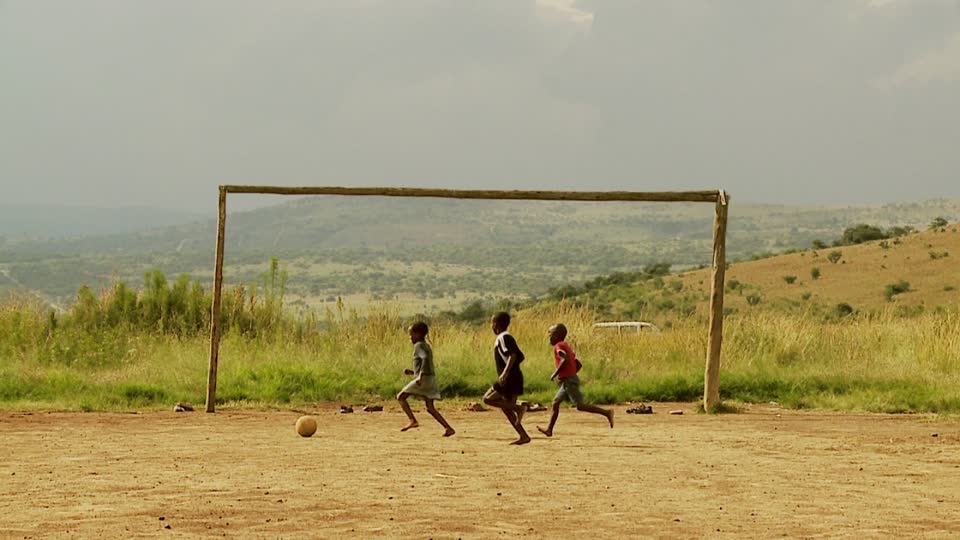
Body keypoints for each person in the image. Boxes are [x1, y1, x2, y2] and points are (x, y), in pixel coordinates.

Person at [537, 323, 614, 437]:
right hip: (568, 380)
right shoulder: (566, 345)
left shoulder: (559, 346)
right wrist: (568, 374)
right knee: (555, 403)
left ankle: (607, 412)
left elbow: (564, 359)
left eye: (550, 335)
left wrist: (555, 374)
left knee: (580, 406)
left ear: (557, 336)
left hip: (569, 381)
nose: (549, 338)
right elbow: (577, 363)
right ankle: (549, 430)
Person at [397, 321, 455, 437]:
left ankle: (412, 420)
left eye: (411, 334)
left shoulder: (418, 346)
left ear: (418, 334)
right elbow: (427, 362)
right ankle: (448, 428)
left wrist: (420, 375)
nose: (410, 337)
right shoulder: (426, 345)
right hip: (431, 378)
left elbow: (424, 358)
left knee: (401, 397)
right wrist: (413, 372)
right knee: (430, 407)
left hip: (424, 379)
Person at [482, 311, 531, 445]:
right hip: (515, 377)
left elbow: (512, 355)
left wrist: (505, 373)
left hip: (509, 378)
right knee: (507, 408)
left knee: (487, 399)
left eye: (492, 323)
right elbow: (520, 356)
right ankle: (523, 435)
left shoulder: (502, 337)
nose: (491, 326)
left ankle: (519, 408)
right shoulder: (507, 337)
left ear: (496, 324)